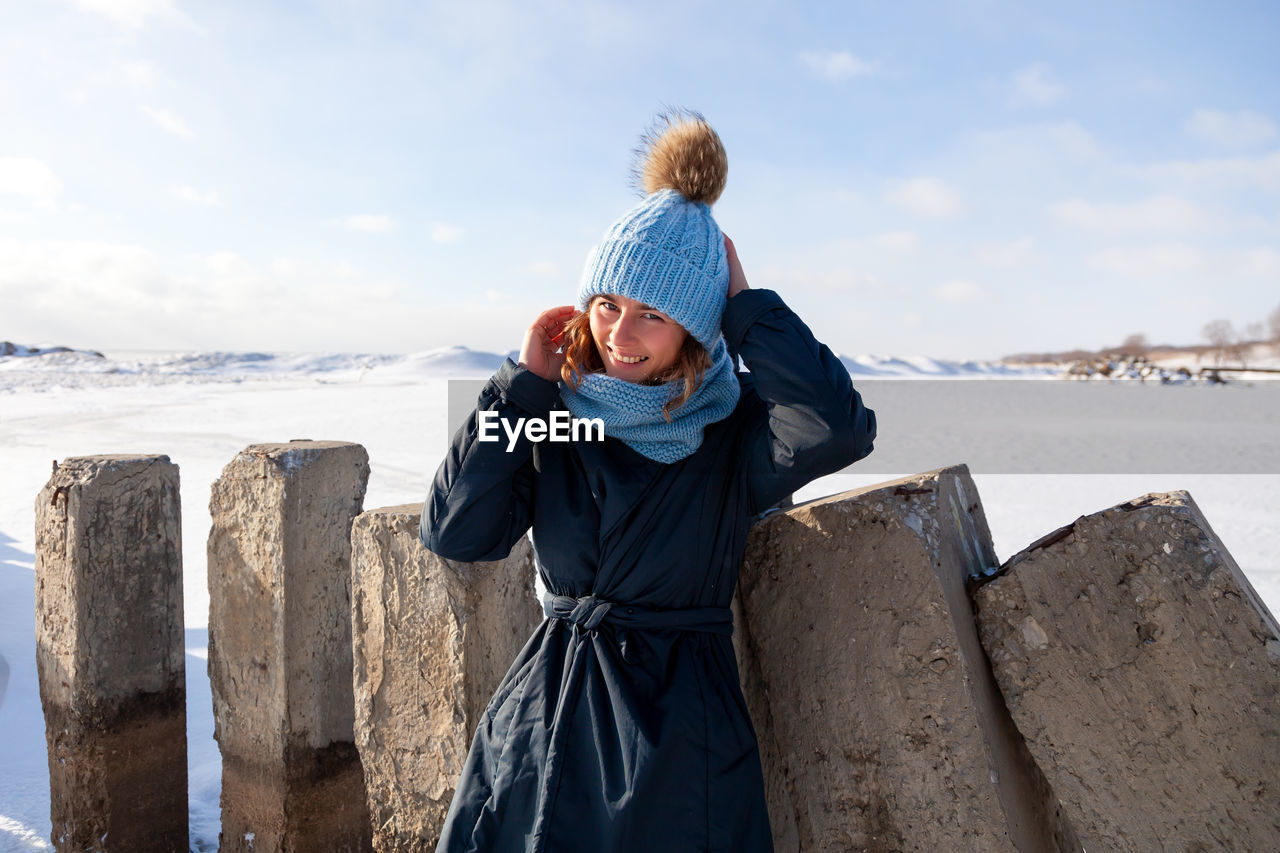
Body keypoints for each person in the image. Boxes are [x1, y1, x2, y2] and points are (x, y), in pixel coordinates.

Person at [420, 109, 876, 853]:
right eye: (608, 305)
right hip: (545, 716)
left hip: (677, 732)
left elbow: (838, 427)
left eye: (653, 314)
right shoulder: (560, 420)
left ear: (696, 329)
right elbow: (456, 531)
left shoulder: (733, 434)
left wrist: (747, 309)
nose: (620, 335)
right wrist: (520, 387)